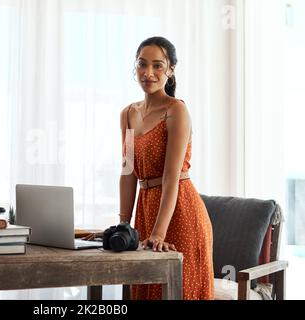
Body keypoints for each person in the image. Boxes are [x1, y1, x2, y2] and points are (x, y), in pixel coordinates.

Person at [119, 36, 214, 300]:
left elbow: (171, 177)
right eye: (142, 64)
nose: (148, 73)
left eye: (158, 66)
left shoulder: (176, 111)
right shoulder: (128, 114)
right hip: (146, 210)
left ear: (170, 69)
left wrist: (158, 233)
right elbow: (128, 171)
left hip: (181, 214)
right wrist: (122, 226)